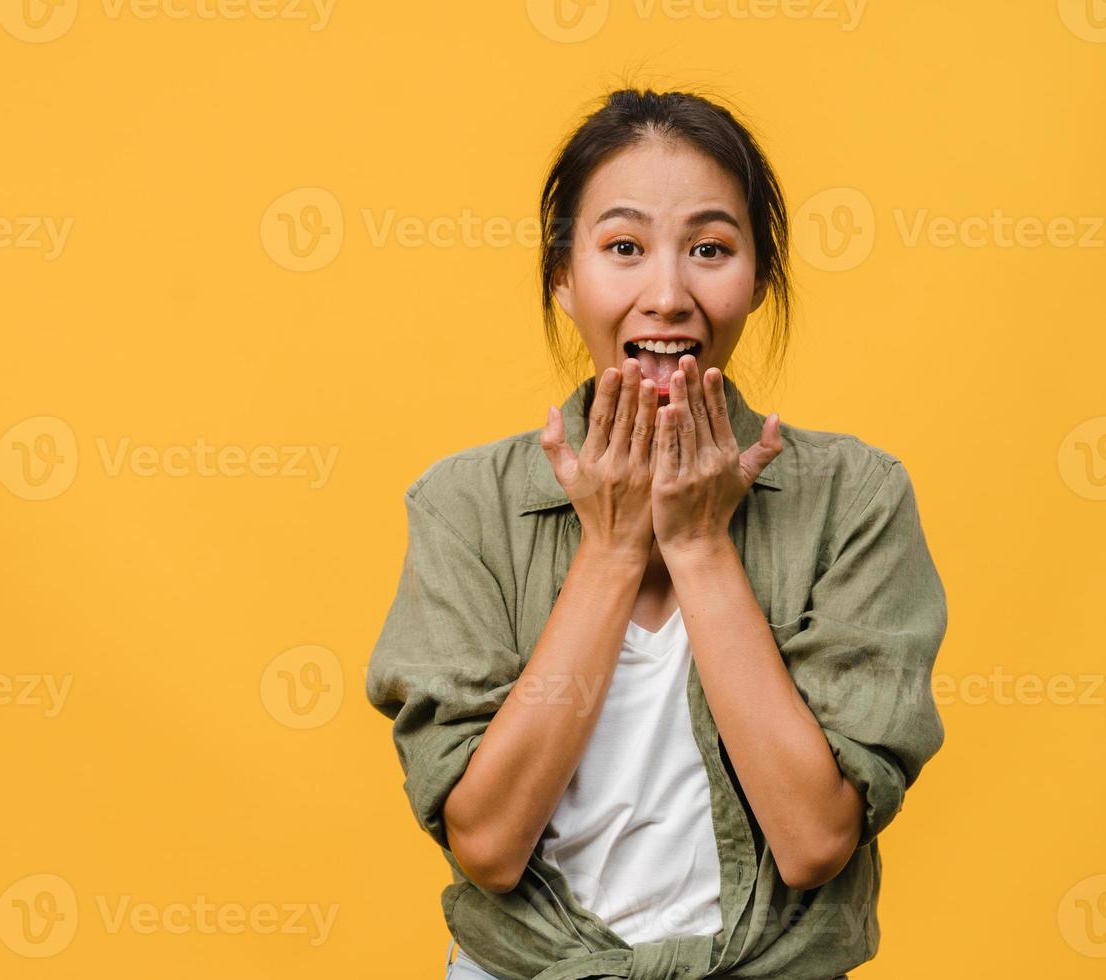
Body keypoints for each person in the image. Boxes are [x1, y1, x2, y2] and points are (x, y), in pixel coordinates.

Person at [365, 87, 947, 980]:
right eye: (624, 248)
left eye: (710, 249)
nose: (667, 295)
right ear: (565, 279)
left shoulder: (855, 497)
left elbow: (814, 840)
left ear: (757, 278)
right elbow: (485, 842)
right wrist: (610, 550)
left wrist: (703, 545)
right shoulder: (466, 504)